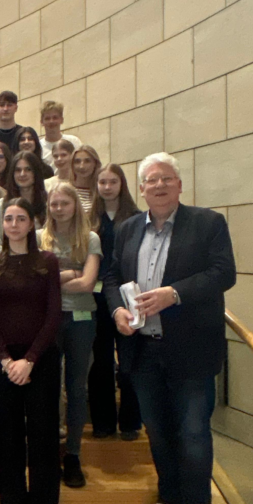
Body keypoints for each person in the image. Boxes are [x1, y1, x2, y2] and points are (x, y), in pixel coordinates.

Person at [103, 152, 236, 504]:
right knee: (158, 432)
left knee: (194, 435)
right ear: (140, 189)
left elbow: (223, 273)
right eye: (151, 181)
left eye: (166, 179)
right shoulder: (127, 229)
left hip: (192, 352)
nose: (159, 186)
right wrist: (117, 311)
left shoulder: (208, 224)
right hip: (143, 351)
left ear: (179, 185)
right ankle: (170, 501)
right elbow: (111, 275)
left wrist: (173, 294)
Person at [0, 198, 62, 504]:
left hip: (40, 358)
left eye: (20, 219)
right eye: (8, 219)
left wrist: (29, 359)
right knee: (8, 437)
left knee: (43, 436)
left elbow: (54, 314)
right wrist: (4, 358)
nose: (13, 224)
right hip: (3, 360)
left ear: (32, 224)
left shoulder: (47, 262)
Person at [40, 183, 101, 489]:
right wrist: (71, 274)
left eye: (65, 203)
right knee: (49, 387)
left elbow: (88, 283)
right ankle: (50, 451)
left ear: (76, 205)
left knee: (76, 388)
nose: (59, 208)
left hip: (81, 319)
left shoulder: (90, 238)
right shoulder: (40, 237)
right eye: (54, 203)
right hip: (47, 318)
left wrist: (57, 278)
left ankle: (73, 455)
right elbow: (36, 283)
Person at [88, 164, 141, 440]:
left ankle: (130, 421)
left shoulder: (136, 218)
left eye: (112, 182)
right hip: (96, 297)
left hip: (128, 296)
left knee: (129, 361)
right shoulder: (89, 219)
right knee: (101, 362)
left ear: (122, 184)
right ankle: (103, 422)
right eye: (102, 182)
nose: (107, 187)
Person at [0, 151, 47, 257]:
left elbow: (51, 241)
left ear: (36, 172)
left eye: (28, 169)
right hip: (7, 266)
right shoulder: (1, 205)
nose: (22, 174)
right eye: (18, 170)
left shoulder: (49, 203)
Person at [70, 145, 101, 214]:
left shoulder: (101, 190)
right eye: (77, 162)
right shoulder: (66, 190)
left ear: (95, 163)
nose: (82, 166)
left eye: (87, 161)